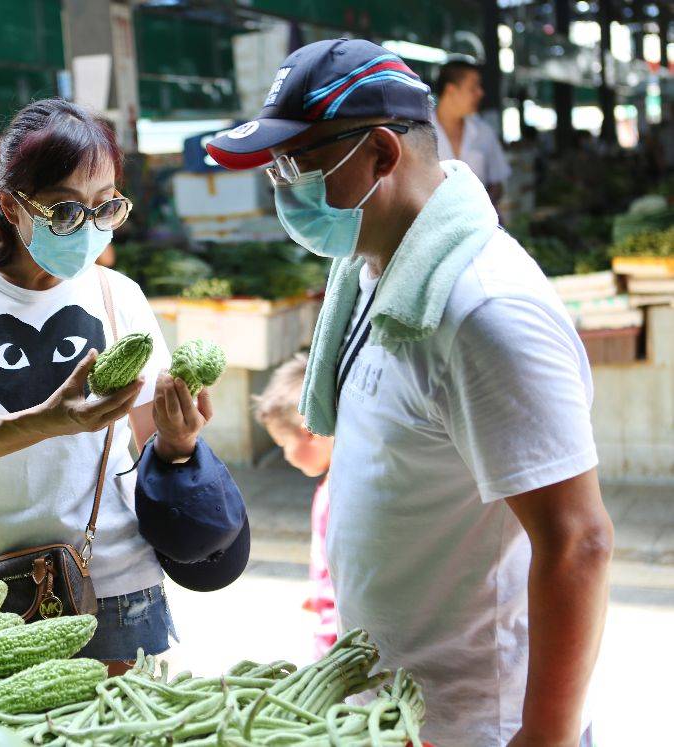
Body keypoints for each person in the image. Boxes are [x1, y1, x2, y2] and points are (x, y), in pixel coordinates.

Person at [206, 39, 611, 747]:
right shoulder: (374, 269)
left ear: (382, 155)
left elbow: (577, 541)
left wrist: (542, 736)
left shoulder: (483, 311)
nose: (282, 187)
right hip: (394, 708)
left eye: (297, 163)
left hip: (477, 722)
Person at [0, 99, 214, 672]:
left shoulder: (118, 294)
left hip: (114, 581)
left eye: (105, 208)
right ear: (10, 204)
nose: (89, 228)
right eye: (65, 210)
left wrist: (182, 440)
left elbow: (156, 442)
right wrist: (47, 421)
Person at [252, 354, 336, 657]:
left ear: (308, 431)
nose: (285, 456)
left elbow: (335, 587)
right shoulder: (342, 484)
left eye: (282, 445)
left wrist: (325, 652)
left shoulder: (333, 496)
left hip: (336, 645)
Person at [432, 60, 511, 207]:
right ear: (451, 90)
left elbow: (498, 183)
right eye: (473, 88)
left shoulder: (484, 133)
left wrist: (481, 208)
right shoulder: (420, 132)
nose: (480, 93)